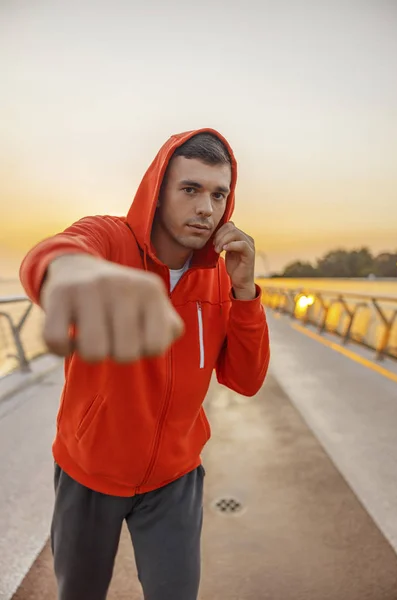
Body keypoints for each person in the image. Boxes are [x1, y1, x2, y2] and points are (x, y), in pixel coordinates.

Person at [19, 128, 270, 600]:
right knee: (79, 592)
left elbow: (247, 379)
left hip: (175, 479)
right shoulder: (111, 239)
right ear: (158, 192)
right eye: (190, 189)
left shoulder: (219, 277)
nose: (206, 209)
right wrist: (65, 268)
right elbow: (61, 249)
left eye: (219, 194)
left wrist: (244, 293)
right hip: (89, 470)